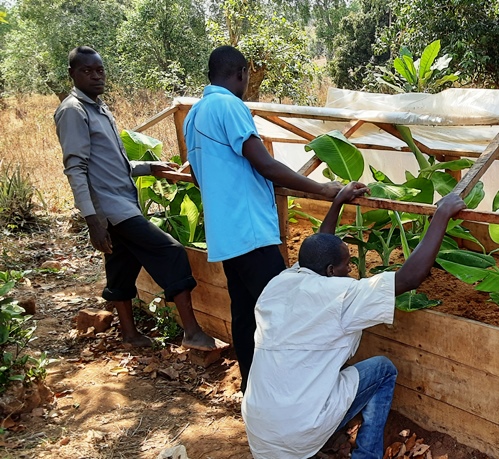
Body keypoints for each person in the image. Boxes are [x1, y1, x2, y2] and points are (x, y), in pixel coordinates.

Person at [242, 182, 467, 459]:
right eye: (347, 265)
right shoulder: (342, 295)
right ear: (330, 270)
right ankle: (366, 455)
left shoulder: (279, 283)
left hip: (260, 430)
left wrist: (338, 202)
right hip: (300, 431)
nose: (351, 269)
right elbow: (410, 277)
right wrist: (442, 214)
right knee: (383, 370)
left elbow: (318, 249)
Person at [183, 45, 342, 391]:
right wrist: (322, 190)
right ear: (241, 73)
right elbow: (264, 164)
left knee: (244, 314)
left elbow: (198, 176)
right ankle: (288, 398)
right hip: (251, 232)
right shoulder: (229, 105)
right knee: (283, 315)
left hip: (225, 237)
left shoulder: (193, 116)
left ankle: (251, 389)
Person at [54, 46, 227, 351]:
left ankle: (130, 334)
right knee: (171, 252)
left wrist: (149, 166)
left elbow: (111, 163)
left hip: (120, 202)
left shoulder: (98, 107)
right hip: (111, 208)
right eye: (87, 71)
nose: (96, 76)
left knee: (121, 264)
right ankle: (191, 332)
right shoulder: (73, 111)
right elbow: (76, 168)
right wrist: (92, 219)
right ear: (72, 74)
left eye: (99, 70)